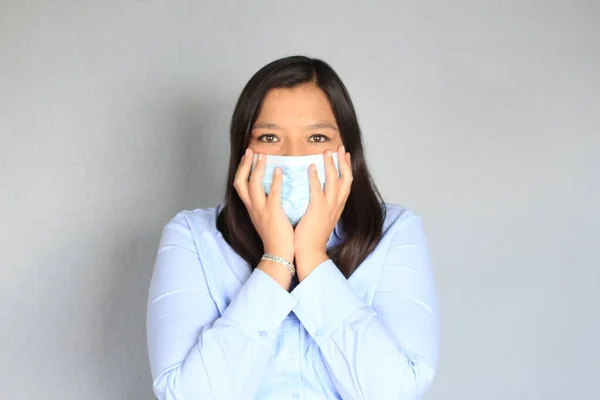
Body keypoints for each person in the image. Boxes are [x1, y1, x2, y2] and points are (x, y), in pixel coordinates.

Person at [146, 55, 439, 400]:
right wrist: (277, 259)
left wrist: (312, 257)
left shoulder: (395, 231)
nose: (294, 157)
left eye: (317, 138)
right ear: (244, 150)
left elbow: (397, 393)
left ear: (347, 150)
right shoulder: (192, 236)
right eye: (269, 138)